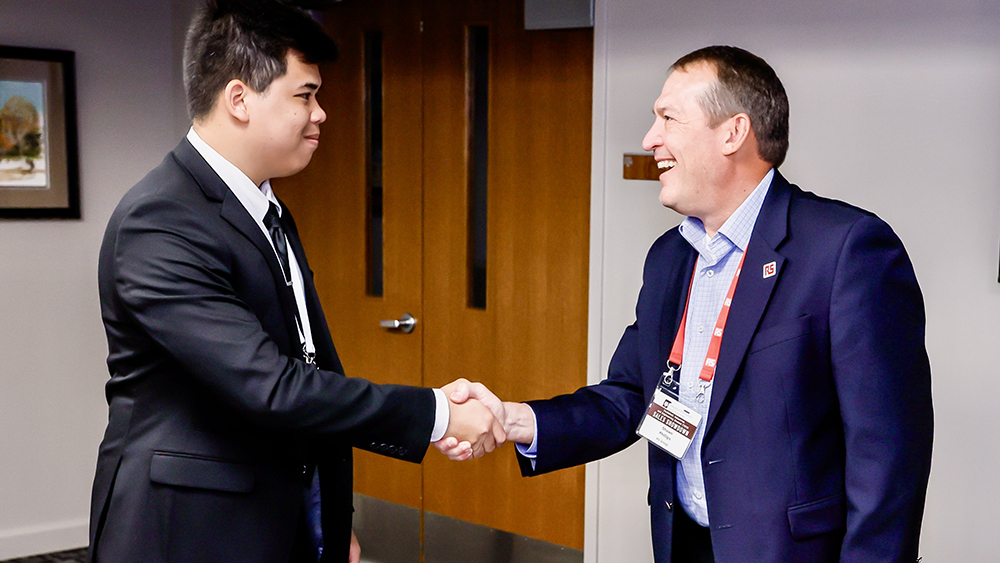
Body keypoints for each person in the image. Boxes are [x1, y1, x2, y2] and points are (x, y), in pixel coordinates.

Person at [451, 45, 934, 562]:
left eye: (667, 118)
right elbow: (631, 396)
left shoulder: (844, 249)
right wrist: (514, 418)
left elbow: (887, 456)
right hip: (685, 543)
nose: (649, 139)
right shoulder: (670, 258)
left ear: (733, 132)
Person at [88, 2, 503, 562]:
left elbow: (309, 368)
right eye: (304, 95)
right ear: (240, 99)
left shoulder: (266, 208)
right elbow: (271, 387)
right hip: (190, 532)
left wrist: (327, 521)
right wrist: (438, 414)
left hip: (279, 515)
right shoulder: (161, 221)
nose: (321, 114)